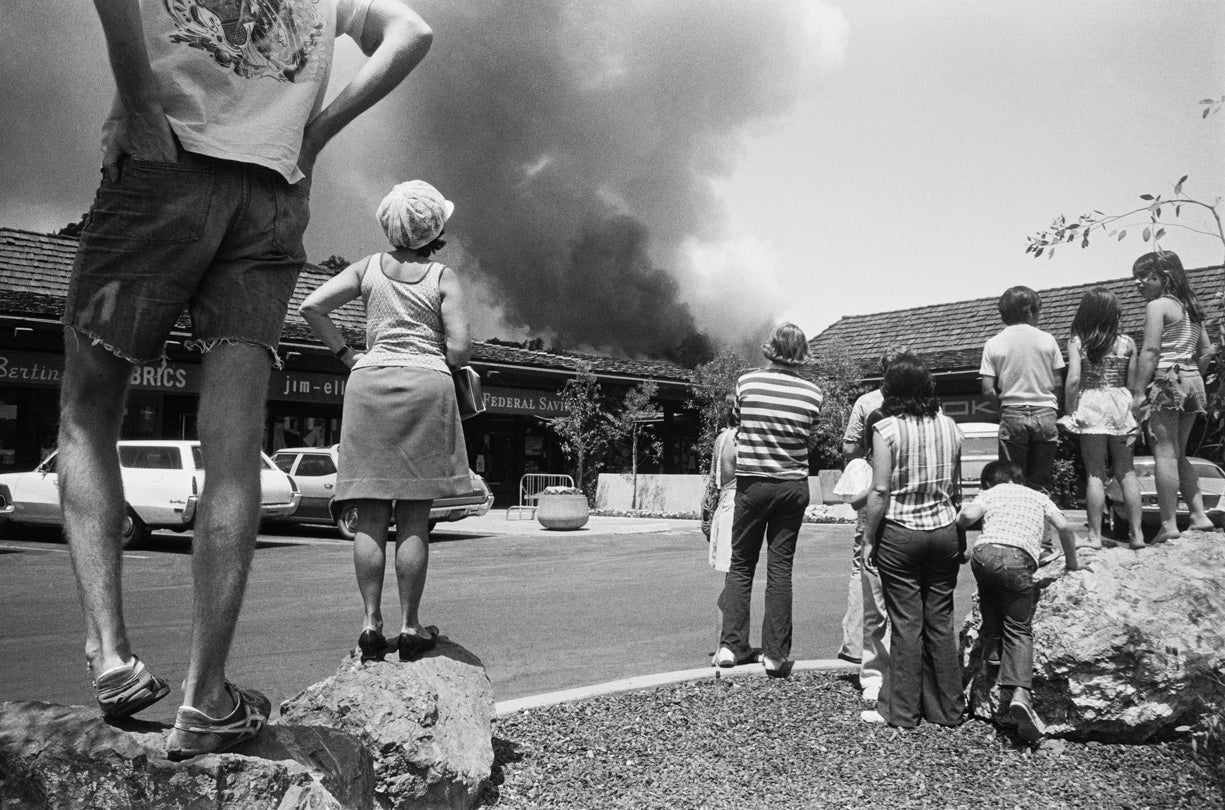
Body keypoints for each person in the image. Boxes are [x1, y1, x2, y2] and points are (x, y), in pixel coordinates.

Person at [57, 0, 433, 761]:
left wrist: (139, 103)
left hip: (167, 161)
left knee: (88, 411)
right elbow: (412, 32)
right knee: (233, 443)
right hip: (271, 194)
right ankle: (207, 697)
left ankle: (113, 654)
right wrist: (311, 135)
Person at [300, 180, 471, 665]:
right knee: (414, 515)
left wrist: (348, 354)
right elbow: (459, 351)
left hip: (368, 385)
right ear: (435, 228)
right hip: (425, 386)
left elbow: (311, 306)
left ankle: (370, 623)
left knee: (370, 516)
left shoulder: (367, 268)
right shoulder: (442, 276)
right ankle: (411, 626)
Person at [714, 323, 823, 677]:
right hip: (792, 485)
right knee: (780, 568)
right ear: (802, 353)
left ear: (771, 348)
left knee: (741, 565)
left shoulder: (747, 383)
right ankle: (775, 654)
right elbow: (809, 435)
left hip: (753, 484)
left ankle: (731, 645)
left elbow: (740, 423)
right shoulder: (813, 393)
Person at [861, 352, 964, 728]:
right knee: (940, 620)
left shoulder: (886, 429)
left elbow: (880, 490)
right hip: (944, 530)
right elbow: (956, 488)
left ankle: (901, 711)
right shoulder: (951, 426)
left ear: (892, 388)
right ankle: (948, 709)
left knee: (906, 622)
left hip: (901, 532)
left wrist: (868, 539)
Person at [956, 460, 1081, 743]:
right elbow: (1064, 526)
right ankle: (1021, 693)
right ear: (1019, 478)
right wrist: (1072, 563)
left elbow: (965, 517)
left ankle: (993, 650)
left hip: (984, 554)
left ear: (989, 482)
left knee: (990, 593)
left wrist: (961, 542)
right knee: (1019, 627)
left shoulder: (991, 492)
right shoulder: (1038, 496)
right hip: (1017, 559)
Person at [836, 346, 907, 704]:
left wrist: (866, 462)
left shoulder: (866, 402)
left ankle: (855, 645)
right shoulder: (921, 405)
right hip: (905, 493)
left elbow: (850, 446)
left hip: (872, 490)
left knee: (862, 566)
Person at [1130, 251, 1216, 543]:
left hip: (1167, 379)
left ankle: (1168, 524)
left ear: (1164, 277)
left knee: (1164, 453)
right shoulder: (1191, 306)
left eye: (1145, 276)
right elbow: (1206, 351)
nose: (1138, 283)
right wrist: (1191, 375)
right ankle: (1199, 515)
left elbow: (1151, 350)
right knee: (1179, 453)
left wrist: (1139, 391)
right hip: (1192, 376)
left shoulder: (1157, 306)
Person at [1060, 288, 1144, 550]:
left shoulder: (1078, 342)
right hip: (1121, 404)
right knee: (1126, 471)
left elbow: (1073, 380)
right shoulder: (1128, 343)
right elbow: (1132, 384)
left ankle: (1094, 536)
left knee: (1095, 472)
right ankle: (1137, 534)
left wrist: (1069, 412)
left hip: (1091, 404)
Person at [979, 285, 1065, 497]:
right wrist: (1053, 408)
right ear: (1030, 311)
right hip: (1045, 411)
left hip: (1012, 411)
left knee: (1011, 480)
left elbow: (988, 389)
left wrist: (1003, 410)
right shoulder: (1047, 339)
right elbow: (1058, 382)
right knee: (1041, 482)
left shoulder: (993, 343)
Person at [704, 396, 738, 648]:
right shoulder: (740, 440)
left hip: (724, 506)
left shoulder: (721, 438)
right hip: (737, 507)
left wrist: (706, 518)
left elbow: (712, 483)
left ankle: (728, 643)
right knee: (736, 581)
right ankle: (725, 645)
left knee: (733, 579)